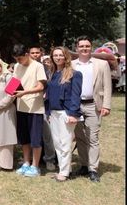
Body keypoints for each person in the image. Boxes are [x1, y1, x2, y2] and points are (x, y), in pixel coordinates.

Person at [72, 36, 112, 182]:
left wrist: (106, 105)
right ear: (77, 48)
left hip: (93, 105)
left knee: (93, 138)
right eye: (81, 46)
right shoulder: (71, 64)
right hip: (76, 105)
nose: (84, 48)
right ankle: (83, 165)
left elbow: (107, 86)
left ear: (91, 47)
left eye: (87, 46)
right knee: (79, 137)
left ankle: (93, 169)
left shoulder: (102, 64)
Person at [45, 47, 82, 182]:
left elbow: (76, 96)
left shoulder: (74, 74)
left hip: (66, 113)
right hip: (53, 113)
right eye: (55, 55)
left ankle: (64, 172)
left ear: (66, 57)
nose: (58, 57)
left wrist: (73, 114)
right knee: (57, 143)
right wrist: (48, 112)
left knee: (65, 143)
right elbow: (49, 95)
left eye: (61, 55)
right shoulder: (52, 74)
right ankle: (64, 169)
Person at [11, 43, 48, 178]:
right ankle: (26, 162)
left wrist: (24, 92)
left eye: (20, 58)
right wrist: (9, 91)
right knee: (24, 138)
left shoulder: (38, 66)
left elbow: (41, 86)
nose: (18, 61)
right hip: (21, 107)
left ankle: (35, 166)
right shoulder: (17, 66)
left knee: (35, 139)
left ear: (27, 54)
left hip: (35, 108)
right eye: (16, 59)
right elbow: (15, 82)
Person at [29, 45, 56, 172]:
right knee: (32, 134)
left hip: (44, 105)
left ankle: (50, 159)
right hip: (29, 105)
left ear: (41, 53)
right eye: (32, 53)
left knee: (47, 134)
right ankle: (31, 159)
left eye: (37, 52)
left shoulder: (48, 69)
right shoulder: (25, 68)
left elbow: (50, 87)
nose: (35, 55)